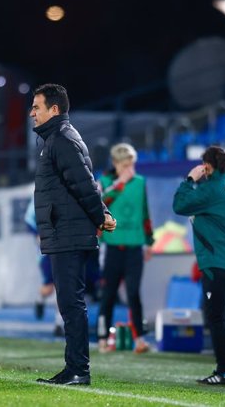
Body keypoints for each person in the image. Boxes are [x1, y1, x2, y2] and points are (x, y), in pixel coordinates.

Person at [30, 84, 116, 386]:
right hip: (64, 230)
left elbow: (83, 183)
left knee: (71, 303)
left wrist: (100, 215)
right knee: (69, 303)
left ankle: (79, 369)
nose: (32, 112)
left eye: (37, 107)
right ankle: (74, 368)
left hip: (69, 231)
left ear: (54, 110)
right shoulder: (57, 139)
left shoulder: (62, 139)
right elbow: (85, 182)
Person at [173, 146, 225, 385]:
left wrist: (190, 179)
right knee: (217, 312)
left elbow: (180, 205)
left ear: (207, 166)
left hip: (216, 261)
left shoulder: (211, 189)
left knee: (214, 315)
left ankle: (224, 370)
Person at [96, 143, 153, 354]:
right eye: (126, 165)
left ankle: (140, 339)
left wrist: (149, 241)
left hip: (134, 248)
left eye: (132, 164)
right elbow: (99, 204)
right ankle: (102, 338)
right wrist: (120, 183)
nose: (131, 169)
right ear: (115, 164)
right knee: (108, 294)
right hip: (112, 248)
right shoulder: (105, 182)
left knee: (133, 293)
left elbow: (145, 213)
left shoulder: (140, 183)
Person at [24, 197, 64, 336]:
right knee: (49, 288)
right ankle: (40, 299)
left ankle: (59, 323)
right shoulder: (40, 194)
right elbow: (29, 219)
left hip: (65, 246)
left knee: (63, 286)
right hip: (47, 250)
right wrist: (38, 234)